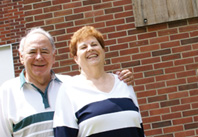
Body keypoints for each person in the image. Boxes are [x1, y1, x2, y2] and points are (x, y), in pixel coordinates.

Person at [0, 27, 134, 137]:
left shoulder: (71, 86)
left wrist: (121, 79)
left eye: (45, 51)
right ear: (21, 57)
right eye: (32, 52)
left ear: (53, 57)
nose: (39, 57)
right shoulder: (6, 93)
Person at [53, 26, 145, 137]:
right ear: (76, 59)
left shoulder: (123, 82)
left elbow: (139, 129)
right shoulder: (68, 90)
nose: (90, 49)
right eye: (83, 47)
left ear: (103, 51)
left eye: (94, 44)